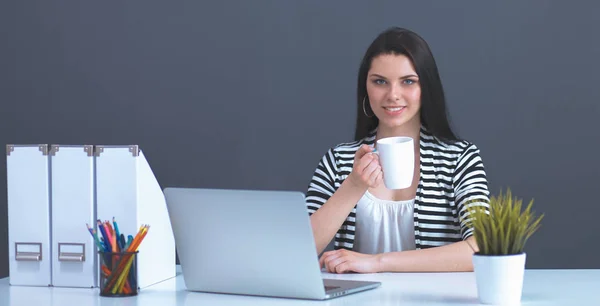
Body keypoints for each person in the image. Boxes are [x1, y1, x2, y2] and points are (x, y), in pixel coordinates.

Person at [305, 27, 490, 274]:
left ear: (427, 88)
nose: (393, 95)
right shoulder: (338, 161)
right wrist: (353, 185)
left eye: (408, 81)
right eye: (380, 81)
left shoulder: (459, 159)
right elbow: (298, 248)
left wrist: (377, 262)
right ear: (366, 88)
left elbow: (483, 247)